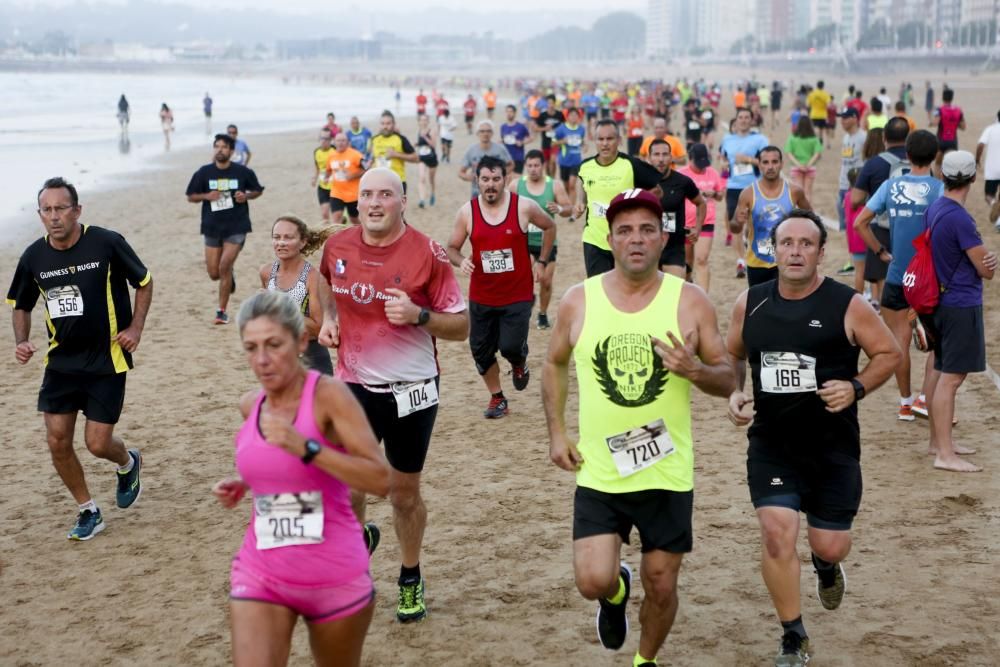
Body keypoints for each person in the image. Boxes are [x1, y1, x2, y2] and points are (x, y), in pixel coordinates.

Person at [542, 188, 734, 667]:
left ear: (663, 237)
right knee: (592, 580)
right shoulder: (577, 300)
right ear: (609, 239)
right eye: (625, 230)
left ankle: (644, 660)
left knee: (663, 585)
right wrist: (556, 432)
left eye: (647, 229)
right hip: (601, 469)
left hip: (666, 470)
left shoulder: (690, 301)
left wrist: (695, 372)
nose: (636, 239)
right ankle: (615, 591)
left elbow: (729, 376)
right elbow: (555, 363)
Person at [726, 209, 900, 667]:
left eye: (807, 244)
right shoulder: (751, 302)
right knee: (777, 535)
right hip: (772, 445)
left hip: (832, 448)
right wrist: (736, 391)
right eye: (788, 243)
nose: (796, 251)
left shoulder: (848, 304)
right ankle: (793, 635)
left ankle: (826, 566)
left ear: (822, 252)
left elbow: (890, 352)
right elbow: (734, 356)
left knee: (830, 544)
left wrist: (857, 386)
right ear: (773, 249)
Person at [318, 167, 469, 622]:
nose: (375, 203)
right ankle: (358, 540)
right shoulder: (337, 245)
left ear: (403, 201)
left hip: (413, 389)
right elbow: (324, 278)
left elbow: (461, 327)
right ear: (358, 202)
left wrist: (419, 316)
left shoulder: (430, 254)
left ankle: (410, 575)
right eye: (367, 195)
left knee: (404, 496)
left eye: (386, 194)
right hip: (354, 384)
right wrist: (328, 318)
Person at [214, 291, 390, 666]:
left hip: (334, 575)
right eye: (251, 347)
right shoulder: (251, 404)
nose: (262, 360)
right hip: (262, 569)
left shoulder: (330, 397)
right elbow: (276, 461)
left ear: (301, 342)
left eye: (274, 345)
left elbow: (379, 479)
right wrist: (247, 482)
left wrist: (308, 449)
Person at [8, 177, 151, 541]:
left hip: (107, 358)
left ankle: (127, 462)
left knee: (98, 444)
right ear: (40, 214)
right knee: (57, 441)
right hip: (61, 362)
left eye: (61, 208)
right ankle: (88, 510)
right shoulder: (33, 257)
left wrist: (135, 328)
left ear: (77, 211)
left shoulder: (106, 242)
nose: (54, 216)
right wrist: (21, 341)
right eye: (47, 210)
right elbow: (21, 304)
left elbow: (144, 282)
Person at [447, 156, 556, 418]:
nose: (491, 185)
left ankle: (519, 362)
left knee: (509, 346)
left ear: (505, 180)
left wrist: (541, 261)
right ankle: (497, 398)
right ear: (477, 181)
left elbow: (550, 226)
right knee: (480, 351)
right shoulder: (467, 212)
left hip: (517, 293)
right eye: (485, 179)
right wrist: (461, 262)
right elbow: (451, 248)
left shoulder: (524, 207)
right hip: (482, 294)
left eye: (496, 179)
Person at [854, 130, 943, 421]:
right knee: (941, 343)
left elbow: (860, 222)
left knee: (899, 342)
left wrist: (880, 251)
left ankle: (905, 402)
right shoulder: (939, 189)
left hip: (896, 276)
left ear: (907, 153)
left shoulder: (891, 186)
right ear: (934, 156)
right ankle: (925, 398)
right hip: (928, 278)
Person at [923, 151, 997, 473]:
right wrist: (990, 260)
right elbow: (985, 270)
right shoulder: (959, 217)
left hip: (940, 300)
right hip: (959, 303)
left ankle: (940, 443)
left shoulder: (937, 207)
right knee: (951, 378)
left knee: (940, 370)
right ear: (972, 177)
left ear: (943, 176)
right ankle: (944, 454)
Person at [185, 133, 265, 324]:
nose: (220, 150)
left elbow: (258, 190)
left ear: (231, 151)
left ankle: (221, 311)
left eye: (224, 147)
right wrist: (206, 196)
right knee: (214, 273)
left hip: (237, 225)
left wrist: (245, 196)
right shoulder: (204, 172)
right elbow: (190, 196)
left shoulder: (242, 172)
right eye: (217, 146)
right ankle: (229, 278)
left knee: (224, 266)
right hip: (212, 226)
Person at [575, 119, 662, 277]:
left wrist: (639, 206)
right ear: (595, 141)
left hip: (626, 241)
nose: (605, 144)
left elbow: (658, 189)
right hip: (595, 239)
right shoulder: (586, 166)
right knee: (598, 291)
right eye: (600, 139)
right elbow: (581, 181)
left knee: (626, 291)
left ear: (619, 140)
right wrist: (580, 201)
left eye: (610, 139)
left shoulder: (630, 164)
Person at [259, 216, 334, 375]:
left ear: (303, 242)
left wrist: (279, 306)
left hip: (311, 356)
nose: (281, 243)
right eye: (276, 237)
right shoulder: (266, 272)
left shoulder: (313, 278)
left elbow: (317, 328)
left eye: (288, 237)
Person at [852, 117, 911, 311]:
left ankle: (889, 318)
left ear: (885, 137)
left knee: (885, 277)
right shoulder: (917, 162)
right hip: (912, 227)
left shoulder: (873, 164)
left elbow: (855, 198)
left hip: (882, 227)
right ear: (907, 136)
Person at [731, 146, 810, 286]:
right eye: (766, 162)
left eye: (774, 162)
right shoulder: (748, 193)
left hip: (786, 261)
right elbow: (735, 228)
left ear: (781, 164)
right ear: (759, 165)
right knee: (760, 306)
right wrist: (738, 221)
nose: (770, 167)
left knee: (786, 305)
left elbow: (811, 220)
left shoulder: (794, 191)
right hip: (756, 262)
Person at [512, 149, 572, 329]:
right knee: (523, 278)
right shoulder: (516, 185)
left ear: (543, 166)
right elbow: (506, 208)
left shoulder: (554, 185)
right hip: (524, 241)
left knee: (546, 280)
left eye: (536, 165)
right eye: (529, 166)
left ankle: (543, 314)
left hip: (547, 241)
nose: (533, 169)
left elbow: (568, 208)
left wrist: (560, 209)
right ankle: (528, 298)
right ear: (525, 166)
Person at [721, 108, 770, 279]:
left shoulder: (760, 139)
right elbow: (724, 159)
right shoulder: (727, 139)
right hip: (734, 187)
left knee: (754, 226)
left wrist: (748, 160)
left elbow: (768, 162)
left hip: (755, 187)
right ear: (736, 120)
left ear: (751, 120)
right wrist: (725, 167)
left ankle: (755, 256)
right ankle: (741, 261)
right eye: (740, 117)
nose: (743, 120)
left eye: (746, 117)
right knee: (735, 226)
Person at [648, 139, 707, 279]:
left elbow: (701, 203)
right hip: (648, 247)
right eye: (656, 154)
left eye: (665, 154)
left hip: (674, 248)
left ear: (671, 157)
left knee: (676, 291)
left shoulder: (682, 182)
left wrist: (697, 228)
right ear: (649, 157)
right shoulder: (640, 182)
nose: (661, 159)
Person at [678, 143, 725, 291]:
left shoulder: (712, 173)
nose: (702, 167)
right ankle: (687, 289)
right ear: (690, 159)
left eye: (704, 163)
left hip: (705, 221)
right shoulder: (681, 174)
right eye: (698, 164)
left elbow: (720, 196)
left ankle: (704, 296)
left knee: (702, 259)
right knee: (687, 262)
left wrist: (715, 194)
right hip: (685, 223)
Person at [371, 110, 418, 194]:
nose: (385, 126)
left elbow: (415, 158)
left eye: (388, 123)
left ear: (393, 124)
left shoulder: (400, 139)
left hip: (397, 182)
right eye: (383, 123)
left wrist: (395, 154)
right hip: (377, 182)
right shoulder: (374, 139)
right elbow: (372, 158)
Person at [325, 132, 365, 226]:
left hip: (353, 194)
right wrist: (326, 177)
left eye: (343, 140)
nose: (340, 143)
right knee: (336, 217)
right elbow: (328, 170)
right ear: (334, 142)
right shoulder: (331, 156)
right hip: (337, 192)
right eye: (338, 140)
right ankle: (337, 239)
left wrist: (353, 175)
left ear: (347, 142)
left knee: (354, 220)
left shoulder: (356, 155)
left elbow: (366, 168)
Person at [553, 107, 587, 207]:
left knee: (572, 185)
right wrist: (563, 141)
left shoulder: (581, 129)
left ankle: (572, 209)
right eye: (571, 115)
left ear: (578, 117)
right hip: (564, 161)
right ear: (567, 117)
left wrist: (585, 146)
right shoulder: (561, 129)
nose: (573, 117)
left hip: (576, 161)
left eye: (576, 115)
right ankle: (567, 202)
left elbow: (582, 142)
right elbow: (553, 143)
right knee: (566, 185)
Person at [784, 116, 822, 203]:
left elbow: (789, 153)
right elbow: (817, 153)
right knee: (808, 192)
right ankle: (808, 214)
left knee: (798, 193)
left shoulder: (792, 138)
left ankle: (800, 213)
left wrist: (798, 165)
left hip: (796, 167)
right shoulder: (814, 139)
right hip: (810, 168)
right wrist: (808, 164)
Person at [974, 109, 1000, 212]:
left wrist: (977, 159)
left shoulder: (990, 129)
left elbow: (980, 145)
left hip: (992, 170)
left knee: (989, 195)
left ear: (997, 118)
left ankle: (993, 204)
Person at [933, 88, 965, 168]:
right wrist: (954, 122)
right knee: (951, 166)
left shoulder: (939, 109)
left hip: (941, 141)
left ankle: (938, 180)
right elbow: (963, 127)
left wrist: (931, 122)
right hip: (953, 141)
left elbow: (935, 123)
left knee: (937, 164)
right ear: (952, 98)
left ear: (942, 97)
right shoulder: (958, 110)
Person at [536, 97, 565, 178]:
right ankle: (549, 177)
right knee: (547, 163)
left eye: (552, 103)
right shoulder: (542, 115)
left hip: (556, 142)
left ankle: (553, 178)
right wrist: (544, 128)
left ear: (555, 104)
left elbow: (564, 126)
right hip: (545, 142)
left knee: (553, 161)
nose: (550, 105)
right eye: (549, 103)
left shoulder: (560, 114)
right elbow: (536, 128)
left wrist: (559, 132)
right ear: (547, 104)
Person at [500, 104, 532, 177]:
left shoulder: (521, 126)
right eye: (507, 112)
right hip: (506, 158)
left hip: (518, 157)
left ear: (515, 113)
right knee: (506, 179)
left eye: (511, 112)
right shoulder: (503, 127)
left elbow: (530, 138)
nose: (509, 113)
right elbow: (503, 139)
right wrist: (501, 141)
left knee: (517, 180)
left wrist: (522, 142)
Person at [415, 113, 439, 209]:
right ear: (419, 121)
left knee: (431, 180)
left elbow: (433, 145)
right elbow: (420, 144)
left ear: (428, 121)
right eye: (421, 120)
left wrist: (425, 137)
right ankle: (422, 199)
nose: (423, 122)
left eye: (425, 120)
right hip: (422, 157)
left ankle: (433, 193)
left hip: (431, 157)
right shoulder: (419, 131)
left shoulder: (432, 130)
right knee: (421, 178)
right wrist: (416, 144)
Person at [312, 130, 335, 222]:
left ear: (330, 140)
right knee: (324, 214)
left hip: (335, 187)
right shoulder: (316, 152)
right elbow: (317, 167)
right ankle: (327, 235)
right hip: (322, 187)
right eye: (322, 138)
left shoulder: (335, 150)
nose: (324, 141)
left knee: (336, 216)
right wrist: (314, 178)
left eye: (326, 139)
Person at [806, 81, 831, 146]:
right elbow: (828, 105)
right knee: (822, 129)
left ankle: (817, 138)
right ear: (823, 86)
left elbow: (808, 105)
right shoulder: (825, 94)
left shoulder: (812, 94)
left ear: (817, 85)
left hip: (814, 114)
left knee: (815, 127)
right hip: (823, 114)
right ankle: (820, 139)